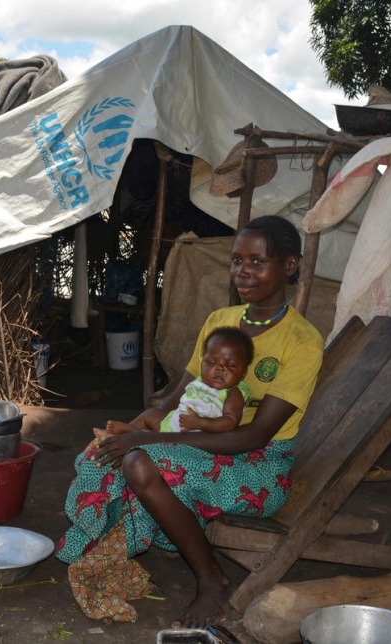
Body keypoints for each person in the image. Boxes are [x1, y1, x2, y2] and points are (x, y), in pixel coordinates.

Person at [57, 215, 325, 628]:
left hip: (257, 464)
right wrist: (143, 424)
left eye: (257, 262)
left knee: (138, 462)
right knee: (106, 454)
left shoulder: (301, 341)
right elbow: (179, 399)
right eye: (237, 260)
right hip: (197, 442)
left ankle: (212, 580)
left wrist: (148, 445)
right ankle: (114, 541)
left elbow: (254, 435)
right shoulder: (220, 321)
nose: (243, 272)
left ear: (289, 266)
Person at [106, 326, 253, 435]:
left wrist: (200, 423)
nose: (220, 369)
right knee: (151, 414)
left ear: (243, 373)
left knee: (156, 438)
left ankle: (135, 435)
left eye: (230, 365)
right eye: (211, 363)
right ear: (202, 362)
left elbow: (231, 422)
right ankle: (123, 433)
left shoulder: (233, 393)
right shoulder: (200, 381)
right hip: (173, 424)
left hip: (196, 437)